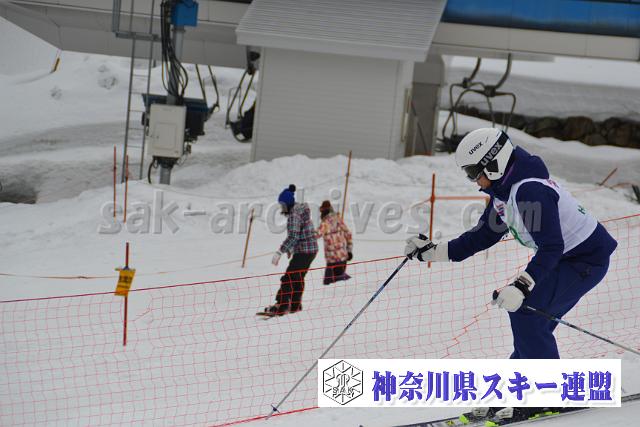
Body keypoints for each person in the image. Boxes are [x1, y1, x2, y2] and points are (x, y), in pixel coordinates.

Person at [404, 128, 617, 423]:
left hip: (585, 260)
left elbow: (551, 246)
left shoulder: (529, 191)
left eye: (474, 173)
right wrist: (433, 252)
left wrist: (522, 285)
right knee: (530, 323)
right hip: (565, 259)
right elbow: (482, 236)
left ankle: (548, 394)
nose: (474, 181)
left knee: (526, 312)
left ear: (494, 163)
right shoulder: (503, 193)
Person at [262, 184, 318, 316]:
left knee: (288, 278)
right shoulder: (299, 211)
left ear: (287, 204)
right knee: (298, 277)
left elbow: (293, 236)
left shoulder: (294, 215)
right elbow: (299, 234)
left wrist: (280, 252)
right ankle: (295, 305)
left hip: (304, 251)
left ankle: (281, 305)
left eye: (282, 205)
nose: (281, 207)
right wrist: (291, 249)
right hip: (310, 250)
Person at [316, 200, 353, 285]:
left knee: (329, 285)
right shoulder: (338, 220)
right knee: (340, 285)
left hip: (332, 260)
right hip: (343, 257)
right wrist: (349, 250)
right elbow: (348, 234)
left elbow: (317, 234)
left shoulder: (325, 223)